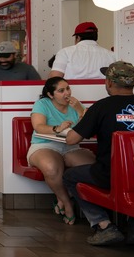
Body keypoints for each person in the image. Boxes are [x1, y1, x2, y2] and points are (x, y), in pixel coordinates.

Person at [64, 61, 134, 245]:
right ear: (133, 83)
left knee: (70, 176)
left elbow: (72, 139)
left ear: (109, 83)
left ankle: (104, 226)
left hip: (110, 175)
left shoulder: (102, 107)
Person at [28, 77, 94, 225]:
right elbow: (38, 127)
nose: (67, 93)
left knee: (92, 166)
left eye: (68, 89)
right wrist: (57, 128)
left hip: (70, 147)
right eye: (61, 91)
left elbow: (88, 127)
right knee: (51, 168)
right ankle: (68, 203)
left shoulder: (76, 105)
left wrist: (79, 109)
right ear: (51, 95)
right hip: (44, 145)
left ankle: (65, 198)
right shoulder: (42, 104)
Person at [0, 41, 41, 195]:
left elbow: (39, 90)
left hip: (23, 118)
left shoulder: (28, 70)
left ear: (15, 55)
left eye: (6, 56)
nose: (3, 60)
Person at [49, 22, 116, 79]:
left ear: (78, 37)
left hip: (73, 92)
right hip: (103, 93)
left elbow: (54, 78)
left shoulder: (65, 52)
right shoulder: (111, 54)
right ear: (96, 36)